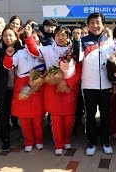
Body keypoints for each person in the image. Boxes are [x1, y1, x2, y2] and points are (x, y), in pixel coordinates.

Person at [25, 25, 82, 156]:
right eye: (58, 35)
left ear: (68, 37)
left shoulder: (74, 50)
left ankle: (67, 139)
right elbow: (34, 50)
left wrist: (68, 83)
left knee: (68, 119)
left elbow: (79, 68)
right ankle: (58, 144)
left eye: (63, 35)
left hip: (69, 89)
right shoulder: (47, 49)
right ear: (54, 36)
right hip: (52, 88)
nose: (60, 37)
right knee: (56, 119)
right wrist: (28, 36)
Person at [73, 12, 115, 156]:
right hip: (88, 85)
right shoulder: (82, 41)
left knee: (105, 115)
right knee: (90, 115)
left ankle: (105, 141)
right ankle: (91, 142)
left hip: (106, 85)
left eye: (98, 22)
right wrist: (76, 41)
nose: (95, 25)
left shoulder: (110, 42)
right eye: (92, 22)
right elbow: (76, 59)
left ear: (103, 24)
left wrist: (114, 82)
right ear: (88, 24)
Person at [3, 25, 46, 152]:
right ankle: (28, 141)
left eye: (34, 37)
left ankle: (39, 140)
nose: (32, 39)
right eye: (29, 37)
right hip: (23, 88)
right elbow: (9, 66)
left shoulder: (44, 51)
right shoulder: (20, 53)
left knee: (37, 119)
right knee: (24, 119)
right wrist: (9, 56)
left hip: (38, 88)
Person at [0, 26, 24, 151]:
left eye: (10, 35)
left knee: (23, 114)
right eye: (5, 35)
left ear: (16, 37)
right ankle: (5, 138)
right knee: (4, 115)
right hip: (5, 89)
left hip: (20, 89)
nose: (8, 38)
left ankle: (25, 135)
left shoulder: (22, 51)